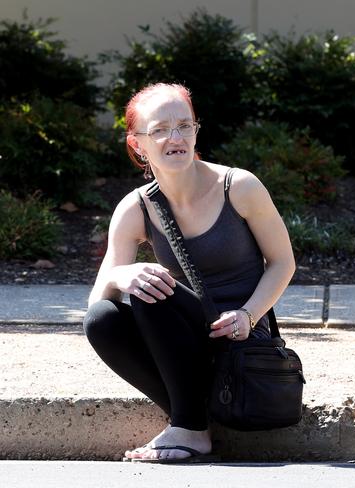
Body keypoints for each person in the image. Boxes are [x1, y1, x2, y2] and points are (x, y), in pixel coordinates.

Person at [83, 83, 296, 463]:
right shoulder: (136, 208)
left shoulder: (239, 186)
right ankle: (193, 421)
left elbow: (283, 262)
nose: (175, 138)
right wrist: (121, 275)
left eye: (184, 125)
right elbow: (98, 299)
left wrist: (249, 314)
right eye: (160, 130)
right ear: (138, 144)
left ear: (197, 131)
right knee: (105, 316)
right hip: (183, 342)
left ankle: (190, 421)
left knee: (152, 291)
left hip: (242, 336)